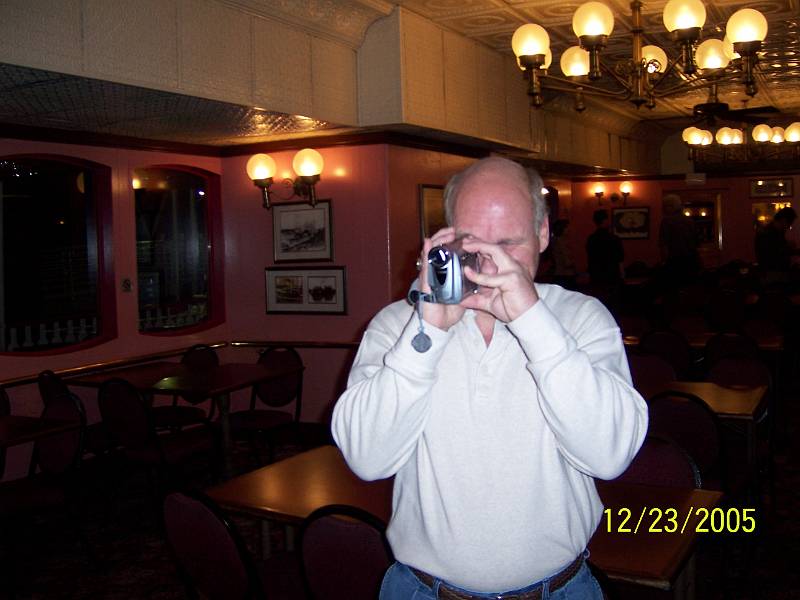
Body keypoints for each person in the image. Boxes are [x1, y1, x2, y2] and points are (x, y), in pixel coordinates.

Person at [332, 157, 648, 599]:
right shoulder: (398, 325)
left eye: (508, 243)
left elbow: (609, 456)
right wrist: (428, 332)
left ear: (542, 234)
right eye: (471, 243)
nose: (489, 263)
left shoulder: (582, 318)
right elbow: (367, 459)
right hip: (421, 591)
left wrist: (532, 321)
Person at [658, 193, 700, 286]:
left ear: (670, 207)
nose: (664, 209)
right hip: (691, 261)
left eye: (665, 207)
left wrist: (664, 262)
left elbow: (663, 245)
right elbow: (697, 243)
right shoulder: (690, 221)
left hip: (674, 262)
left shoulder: (666, 221)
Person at [755, 206, 797, 282]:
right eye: (789, 224)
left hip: (773, 273)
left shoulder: (774, 232)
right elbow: (772, 255)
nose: (789, 227)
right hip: (773, 274)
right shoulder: (767, 233)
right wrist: (788, 247)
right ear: (784, 220)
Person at [585, 209, 624, 286]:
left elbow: (590, 258)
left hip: (596, 275)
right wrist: (622, 274)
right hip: (612, 275)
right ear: (605, 221)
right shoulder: (614, 238)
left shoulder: (591, 239)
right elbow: (620, 259)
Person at [551, 218, 577, 289]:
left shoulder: (557, 240)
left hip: (560, 272)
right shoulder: (560, 241)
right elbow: (566, 258)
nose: (568, 229)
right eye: (566, 227)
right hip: (564, 273)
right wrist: (572, 266)